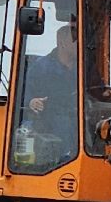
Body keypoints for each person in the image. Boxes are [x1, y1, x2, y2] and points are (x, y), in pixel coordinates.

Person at [23, 21, 79, 158]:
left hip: (79, 123)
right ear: (62, 43)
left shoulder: (85, 68)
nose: (79, 43)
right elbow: (24, 94)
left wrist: (105, 93)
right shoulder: (41, 68)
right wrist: (32, 101)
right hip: (49, 122)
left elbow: (96, 89)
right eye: (75, 40)